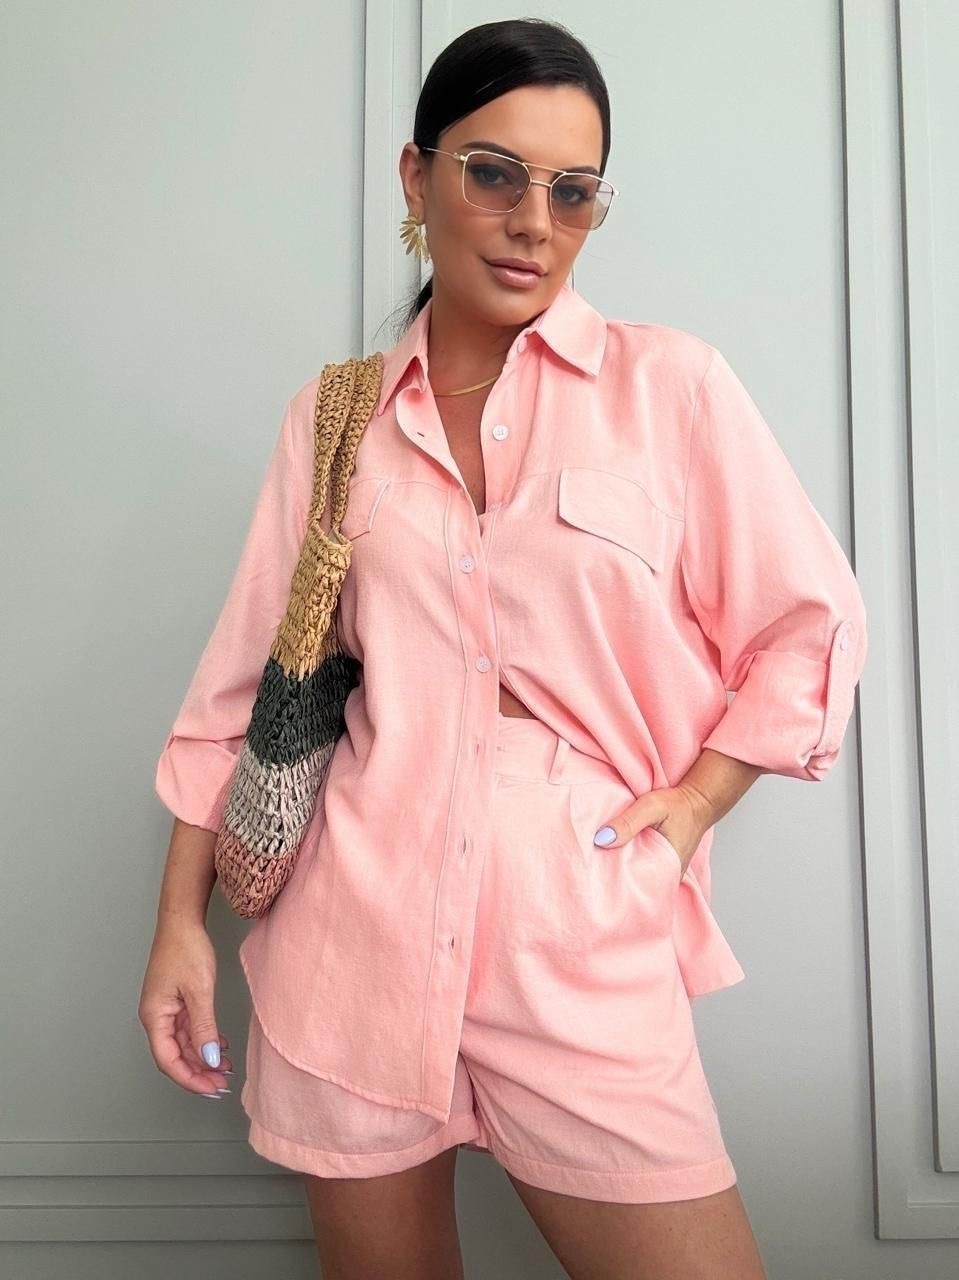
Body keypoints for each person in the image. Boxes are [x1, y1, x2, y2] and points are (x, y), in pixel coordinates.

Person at [138, 17, 867, 1279]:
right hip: (351, 937)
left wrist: (695, 804)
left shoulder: (670, 389)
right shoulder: (334, 420)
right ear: (415, 177)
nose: (534, 220)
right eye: (493, 172)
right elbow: (236, 694)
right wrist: (178, 927)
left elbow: (806, 625)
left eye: (572, 190)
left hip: (574, 928)